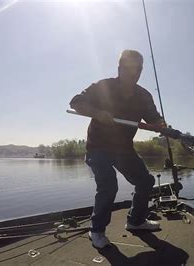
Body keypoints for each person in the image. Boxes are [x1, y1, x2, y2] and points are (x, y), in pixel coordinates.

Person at [69, 50, 165, 249]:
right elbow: (76, 102)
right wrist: (96, 112)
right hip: (98, 147)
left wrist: (162, 126)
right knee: (108, 184)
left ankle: (136, 221)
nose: (134, 73)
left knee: (146, 181)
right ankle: (96, 230)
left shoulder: (144, 95)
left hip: (123, 149)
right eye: (129, 68)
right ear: (120, 69)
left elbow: (154, 119)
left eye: (138, 69)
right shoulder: (103, 86)